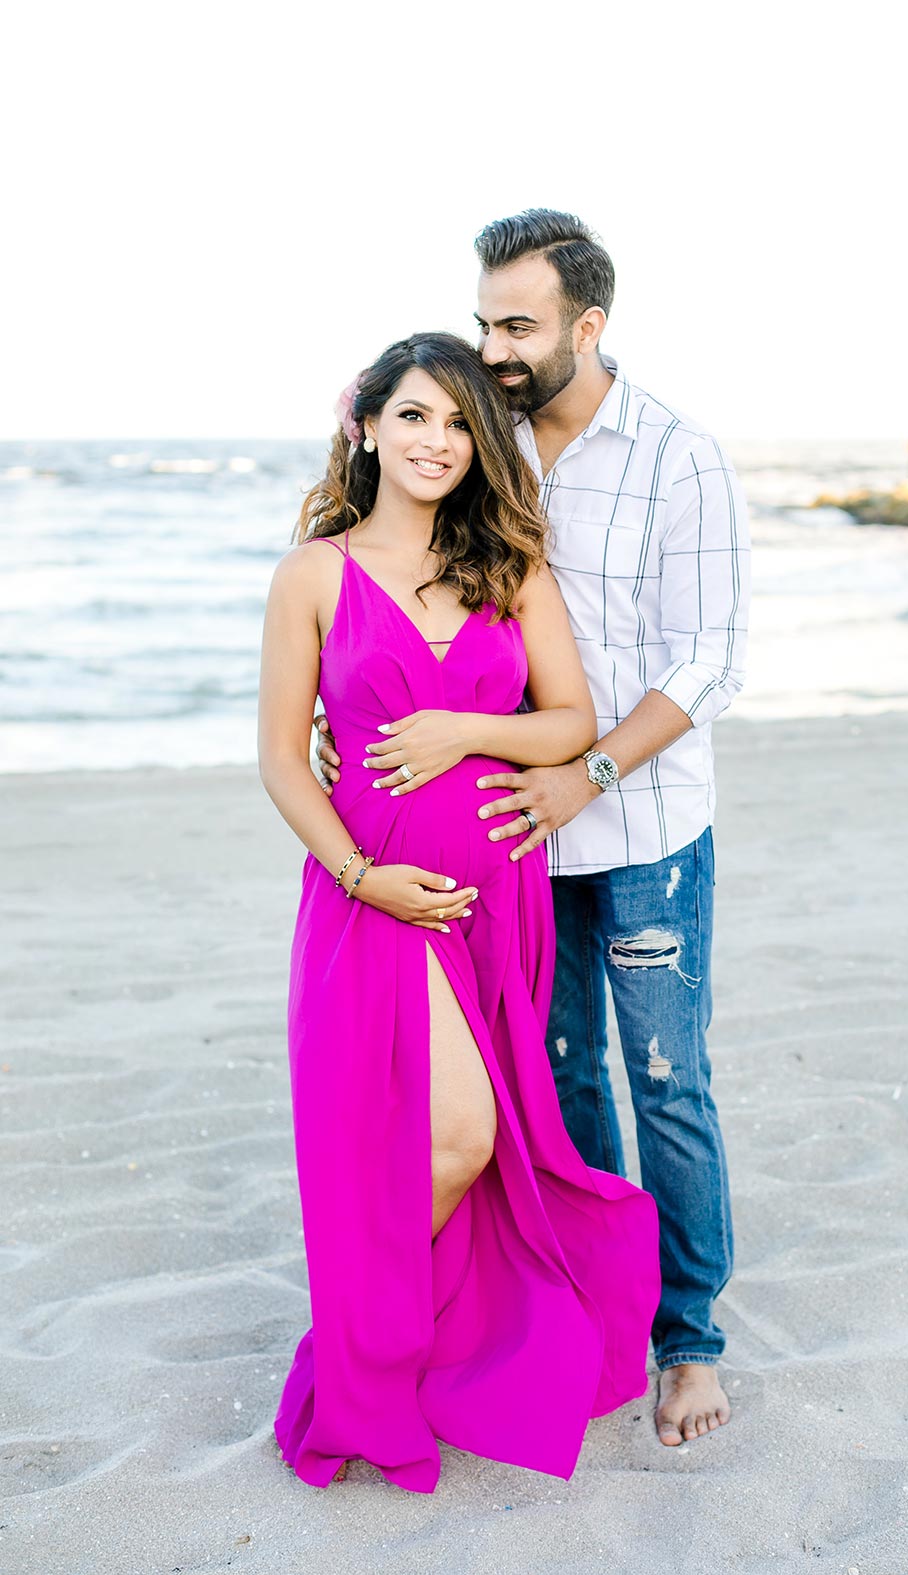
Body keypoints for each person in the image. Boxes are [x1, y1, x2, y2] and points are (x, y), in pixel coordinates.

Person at [317, 212, 751, 1448]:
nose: (495, 346)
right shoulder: (477, 428)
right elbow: (379, 484)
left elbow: (712, 659)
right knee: (552, 1087)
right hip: (507, 848)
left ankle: (690, 1341)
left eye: (519, 325)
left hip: (644, 824)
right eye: (484, 322)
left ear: (588, 326)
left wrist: (594, 769)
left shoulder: (679, 458)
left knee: (667, 1083)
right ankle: (595, 1309)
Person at [258, 330, 660, 1494]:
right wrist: (355, 874)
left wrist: (464, 730)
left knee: (479, 1143)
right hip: (375, 896)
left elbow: (572, 722)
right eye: (416, 417)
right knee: (454, 1135)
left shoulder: (507, 567)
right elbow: (284, 761)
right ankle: (363, 1348)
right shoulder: (315, 576)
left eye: (457, 424)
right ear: (367, 424)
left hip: (499, 899)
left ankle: (383, 1344)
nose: (437, 443)